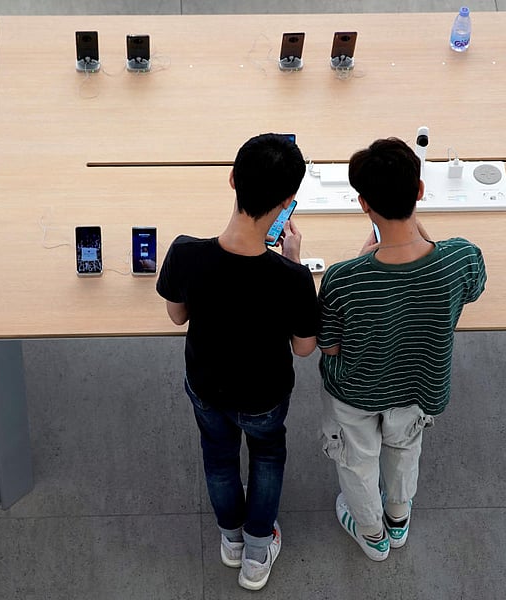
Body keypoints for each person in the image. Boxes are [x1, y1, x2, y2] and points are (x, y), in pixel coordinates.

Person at [156, 133, 319, 590]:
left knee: (219, 457)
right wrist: (293, 261)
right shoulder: (291, 278)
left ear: (231, 179)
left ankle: (231, 541)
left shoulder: (186, 253)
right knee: (267, 456)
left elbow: (176, 316)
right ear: (288, 202)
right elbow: (304, 348)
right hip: (264, 395)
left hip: (207, 386)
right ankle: (256, 552)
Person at [317, 138, 486, 561]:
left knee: (357, 464)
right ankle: (397, 517)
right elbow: (472, 287)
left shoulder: (344, 279)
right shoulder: (460, 258)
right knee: (405, 450)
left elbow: (330, 345)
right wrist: (420, 235)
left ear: (363, 204)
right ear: (420, 192)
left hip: (355, 394)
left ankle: (372, 534)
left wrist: (359, 264)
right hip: (416, 390)